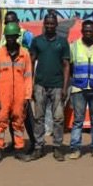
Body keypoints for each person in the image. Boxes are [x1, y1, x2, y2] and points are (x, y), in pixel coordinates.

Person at [0, 22, 33, 163]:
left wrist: (27, 96)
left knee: (18, 123)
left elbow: (28, 77)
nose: (11, 40)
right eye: (8, 37)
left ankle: (19, 149)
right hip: (3, 95)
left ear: (17, 37)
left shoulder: (24, 54)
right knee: (1, 122)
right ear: (5, 37)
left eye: (13, 37)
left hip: (20, 95)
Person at [29, 12, 70, 161]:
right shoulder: (37, 41)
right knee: (38, 117)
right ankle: (39, 147)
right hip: (39, 85)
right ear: (44, 24)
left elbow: (66, 66)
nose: (49, 26)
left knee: (58, 118)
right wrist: (31, 85)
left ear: (56, 25)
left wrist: (65, 87)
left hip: (58, 86)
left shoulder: (63, 42)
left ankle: (57, 147)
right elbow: (31, 63)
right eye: (47, 23)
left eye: (52, 23)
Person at [67, 20, 93, 160]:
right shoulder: (74, 46)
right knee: (78, 120)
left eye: (91, 31)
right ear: (82, 32)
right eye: (85, 31)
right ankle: (75, 148)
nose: (88, 33)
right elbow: (70, 67)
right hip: (79, 88)